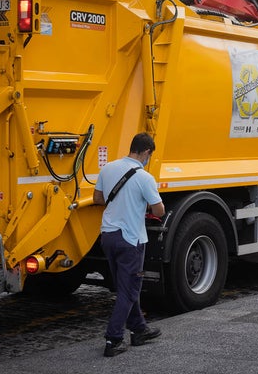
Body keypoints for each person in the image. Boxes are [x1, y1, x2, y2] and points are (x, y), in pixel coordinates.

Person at [93, 132, 165, 357]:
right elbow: (159, 209)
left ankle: (139, 329)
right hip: (130, 240)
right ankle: (113, 340)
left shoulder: (108, 168)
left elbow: (97, 199)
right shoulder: (145, 177)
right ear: (145, 152)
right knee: (130, 288)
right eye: (149, 155)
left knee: (125, 286)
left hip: (108, 236)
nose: (148, 159)